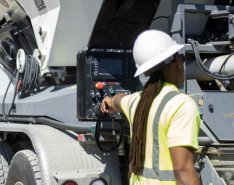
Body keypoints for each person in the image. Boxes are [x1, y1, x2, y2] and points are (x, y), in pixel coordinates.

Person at [100, 30, 201, 185]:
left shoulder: (137, 101)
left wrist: (109, 100)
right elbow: (183, 171)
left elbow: (119, 101)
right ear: (177, 62)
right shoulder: (181, 105)